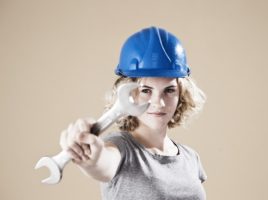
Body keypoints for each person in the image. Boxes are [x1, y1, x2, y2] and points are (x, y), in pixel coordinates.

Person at [60, 26, 207, 200]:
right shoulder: (119, 149)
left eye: (169, 90)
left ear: (181, 94)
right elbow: (103, 163)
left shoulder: (190, 158)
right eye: (146, 90)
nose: (158, 102)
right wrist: (93, 159)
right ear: (129, 93)